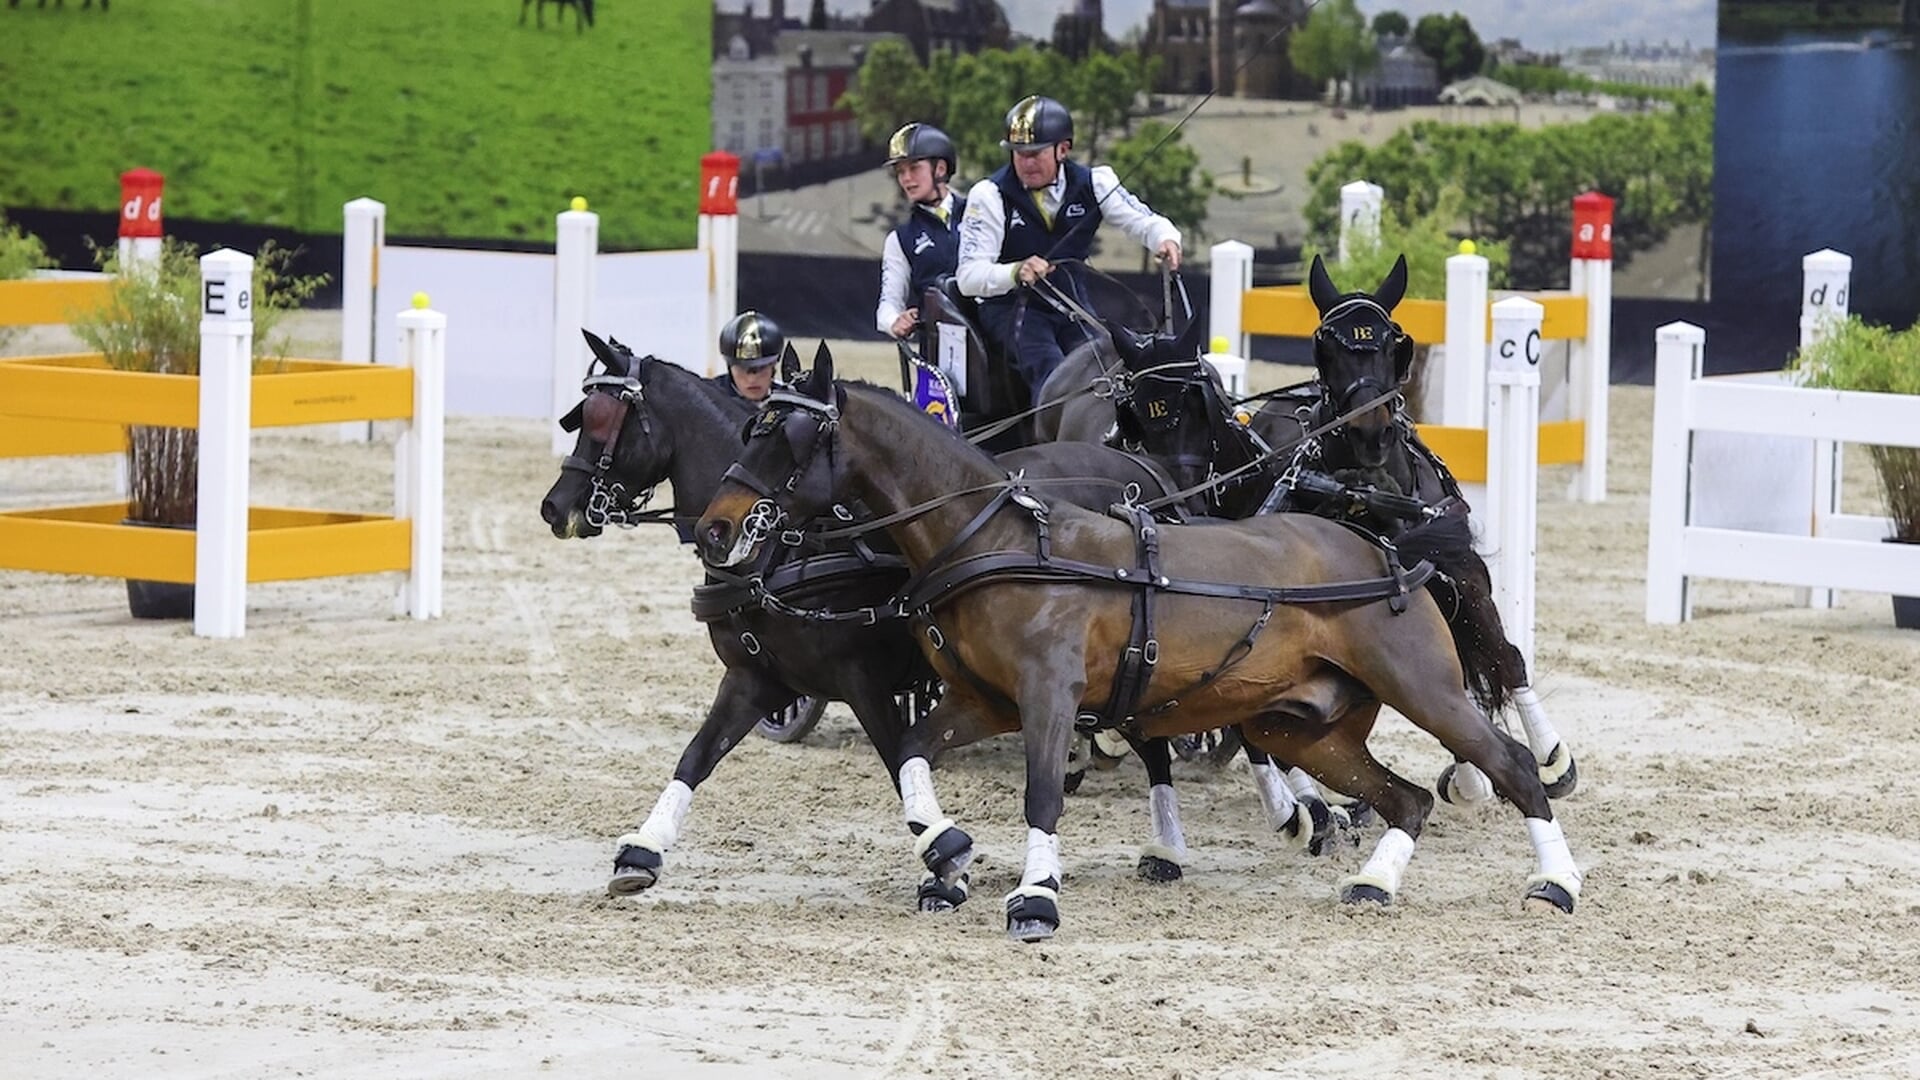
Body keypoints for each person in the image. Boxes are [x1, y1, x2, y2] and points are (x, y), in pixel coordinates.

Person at [956, 95, 1183, 391]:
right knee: (1055, 376)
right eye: (1018, 153)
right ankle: (1052, 436)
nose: (1026, 162)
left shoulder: (1095, 182)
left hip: (1073, 305)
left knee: (1107, 370)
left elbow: (1142, 219)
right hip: (1012, 310)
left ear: (1063, 149)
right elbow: (968, 277)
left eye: (1035, 153)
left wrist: (1165, 239)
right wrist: (1016, 271)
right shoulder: (989, 196)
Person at [875, 123, 966, 341]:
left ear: (940, 169)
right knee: (925, 377)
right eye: (900, 172)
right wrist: (895, 322)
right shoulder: (899, 239)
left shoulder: (979, 213)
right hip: (936, 351)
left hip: (992, 343)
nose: (906, 179)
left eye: (914, 168)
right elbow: (887, 305)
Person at [714, 309, 784, 402]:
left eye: (762, 368)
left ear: (774, 365)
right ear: (730, 367)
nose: (752, 379)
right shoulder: (709, 399)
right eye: (742, 369)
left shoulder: (785, 401)